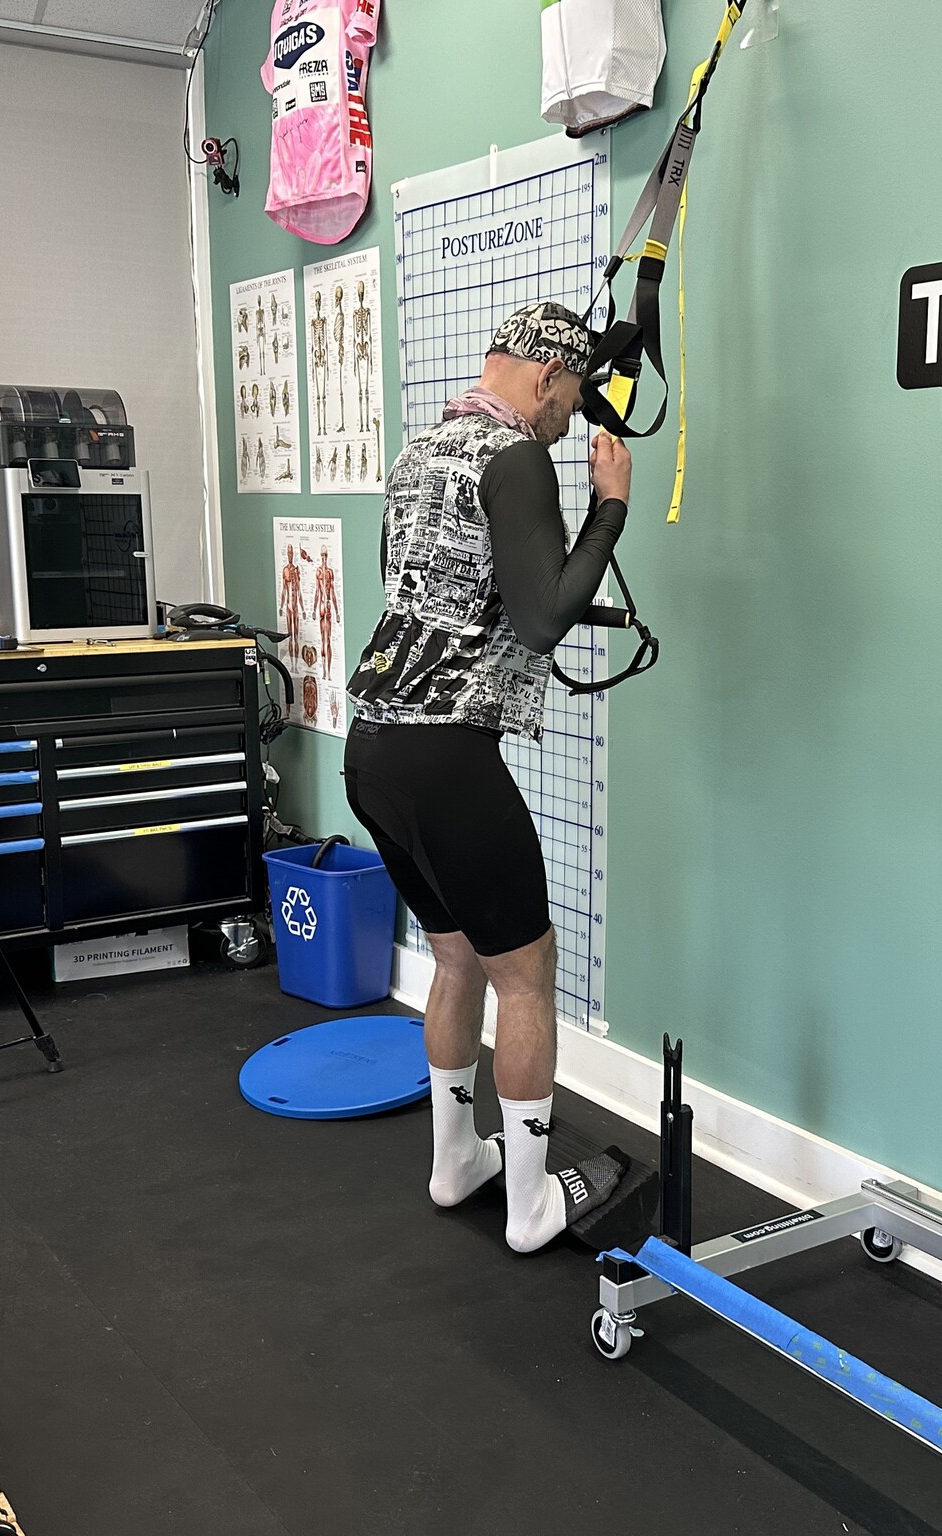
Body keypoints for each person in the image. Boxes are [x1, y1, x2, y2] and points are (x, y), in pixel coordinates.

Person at [345, 301, 630, 1252]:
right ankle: (530, 1208)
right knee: (528, 976)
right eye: (572, 399)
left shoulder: (421, 450)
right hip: (445, 758)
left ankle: (455, 1162)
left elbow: (421, 591)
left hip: (373, 750)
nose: (571, 419)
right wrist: (611, 508)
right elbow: (543, 619)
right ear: (546, 377)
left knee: (458, 956)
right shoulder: (515, 458)